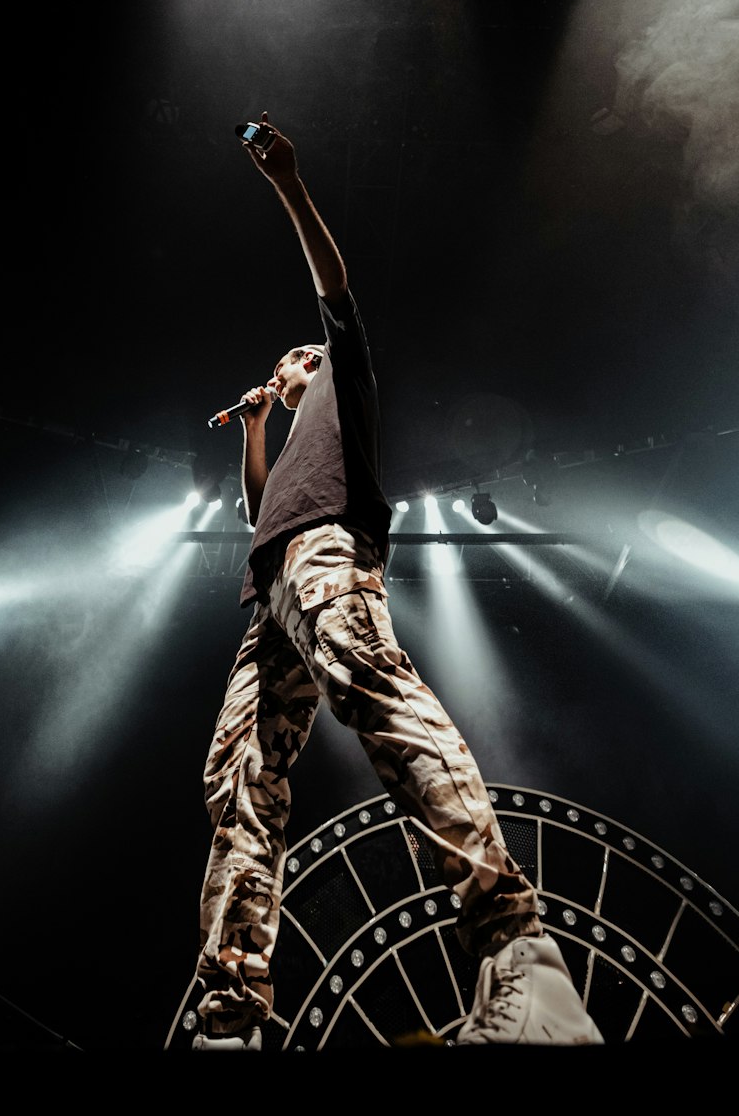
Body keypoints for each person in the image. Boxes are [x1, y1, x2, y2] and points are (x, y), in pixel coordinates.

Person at [191, 116, 603, 1050]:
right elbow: (261, 515)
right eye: (282, 362)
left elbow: (334, 291)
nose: (287, 365)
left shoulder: (347, 377)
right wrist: (257, 429)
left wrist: (289, 185)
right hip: (271, 590)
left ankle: (516, 945)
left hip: (333, 553)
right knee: (238, 782)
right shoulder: (293, 432)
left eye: (296, 356)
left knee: (372, 690)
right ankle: (229, 1018)